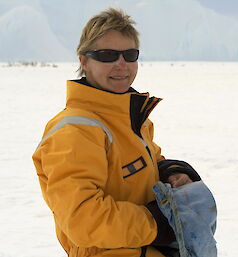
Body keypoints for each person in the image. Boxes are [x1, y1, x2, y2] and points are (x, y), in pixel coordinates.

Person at [32, 8, 201, 257]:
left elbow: (147, 164)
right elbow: (83, 220)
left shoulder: (127, 117)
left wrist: (171, 173)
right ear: (84, 61)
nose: (121, 64)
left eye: (129, 54)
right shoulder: (75, 131)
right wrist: (156, 224)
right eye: (107, 55)